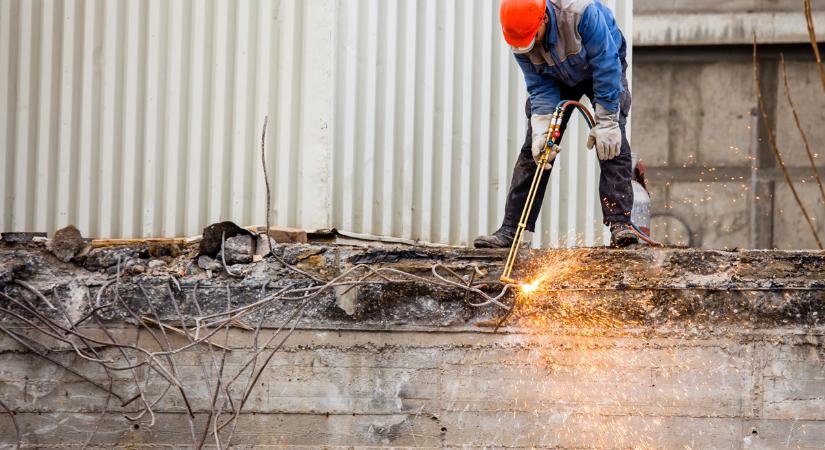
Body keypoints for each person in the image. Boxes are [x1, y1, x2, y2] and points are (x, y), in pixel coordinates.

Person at [474, 0, 638, 248]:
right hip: (553, 79)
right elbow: (539, 87)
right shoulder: (521, 39)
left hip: (600, 69)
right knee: (535, 152)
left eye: (534, 37)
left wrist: (606, 122)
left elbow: (606, 64)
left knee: (612, 143)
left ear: (544, 19)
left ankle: (621, 224)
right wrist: (542, 131)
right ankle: (511, 229)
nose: (532, 45)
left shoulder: (581, 13)